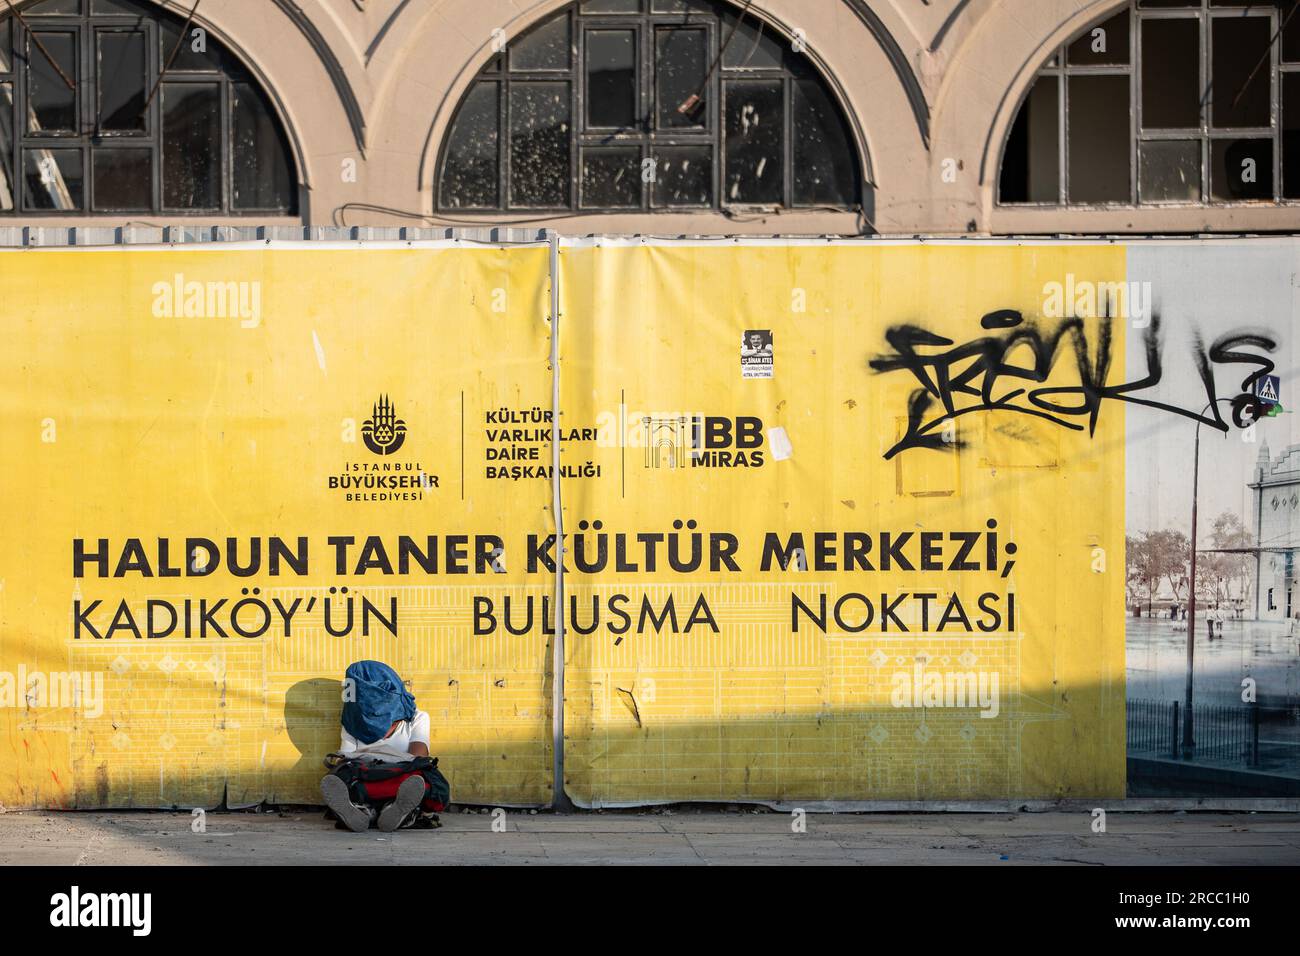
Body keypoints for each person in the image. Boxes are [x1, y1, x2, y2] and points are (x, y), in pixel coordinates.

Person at [320, 660, 436, 833]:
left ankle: (387, 810)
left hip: (401, 778)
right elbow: (347, 759)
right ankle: (366, 812)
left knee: (426, 778)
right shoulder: (353, 722)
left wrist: (378, 759)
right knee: (342, 775)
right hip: (366, 777)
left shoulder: (417, 718)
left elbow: (417, 758)